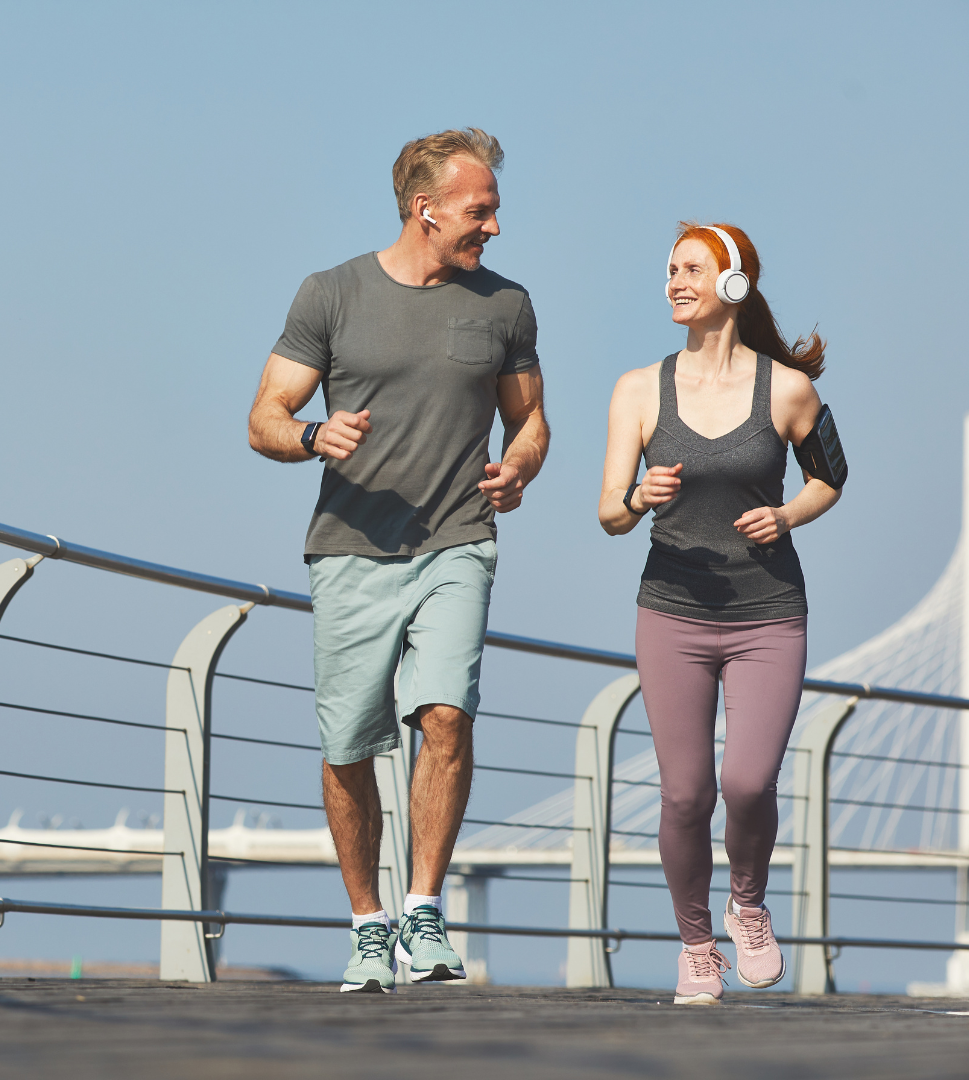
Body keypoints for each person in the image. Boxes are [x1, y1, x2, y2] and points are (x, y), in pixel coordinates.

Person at [248, 128, 549, 994]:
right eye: (479, 210)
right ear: (427, 210)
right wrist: (312, 435)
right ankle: (368, 925)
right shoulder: (331, 295)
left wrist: (520, 464)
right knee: (348, 744)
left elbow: (530, 422)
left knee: (446, 715)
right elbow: (264, 414)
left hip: (459, 538)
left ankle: (423, 909)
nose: (492, 227)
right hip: (351, 548)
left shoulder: (507, 306)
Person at [599, 222, 845, 1004]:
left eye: (692, 269)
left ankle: (748, 904)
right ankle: (697, 944)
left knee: (746, 781)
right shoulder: (639, 389)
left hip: (768, 613)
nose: (674, 281)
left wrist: (789, 516)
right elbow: (607, 511)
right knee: (683, 795)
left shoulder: (787, 389)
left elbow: (830, 476)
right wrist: (638, 497)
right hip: (670, 612)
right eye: (670, 270)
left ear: (734, 284)